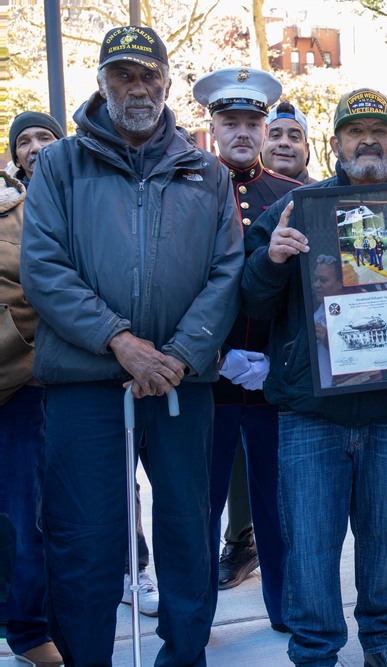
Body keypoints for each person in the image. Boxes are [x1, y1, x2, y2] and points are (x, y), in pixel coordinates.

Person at [19, 25, 244, 666]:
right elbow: (44, 268)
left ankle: (185, 656)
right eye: (123, 76)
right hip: (88, 385)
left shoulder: (206, 171)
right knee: (84, 537)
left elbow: (225, 272)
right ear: (102, 83)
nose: (137, 88)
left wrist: (177, 354)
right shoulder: (60, 165)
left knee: (185, 532)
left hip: (180, 385)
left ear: (168, 81)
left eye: (148, 75)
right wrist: (120, 342)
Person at [241, 87, 387, 667]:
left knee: (381, 542)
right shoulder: (297, 209)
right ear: (336, 143)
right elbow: (249, 299)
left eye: (380, 130)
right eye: (355, 131)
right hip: (310, 410)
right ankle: (316, 652)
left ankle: (382, 643)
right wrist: (272, 259)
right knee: (311, 547)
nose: (368, 140)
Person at [192, 66, 300, 630]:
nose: (242, 132)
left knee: (277, 504)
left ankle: (285, 608)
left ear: (266, 129)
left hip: (270, 379)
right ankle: (195, 614)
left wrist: (274, 358)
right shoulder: (185, 189)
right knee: (199, 506)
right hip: (204, 378)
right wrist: (212, 356)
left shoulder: (293, 195)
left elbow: (309, 291)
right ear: (211, 127)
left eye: (251, 123)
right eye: (229, 121)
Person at [0, 140, 62, 666]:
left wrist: (16, 347)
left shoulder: (17, 209)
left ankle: (27, 628)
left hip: (17, 388)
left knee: (25, 513)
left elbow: (35, 290)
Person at [7, 112, 65, 187]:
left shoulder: (83, 189)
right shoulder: (7, 198)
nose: (36, 147)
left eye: (45, 138)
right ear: (17, 159)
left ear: (63, 147)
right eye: (24, 143)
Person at [263, 100, 315, 183]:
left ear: (306, 149)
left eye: (294, 137)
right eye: (276, 135)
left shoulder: (324, 194)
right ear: (262, 145)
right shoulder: (241, 193)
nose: (284, 143)